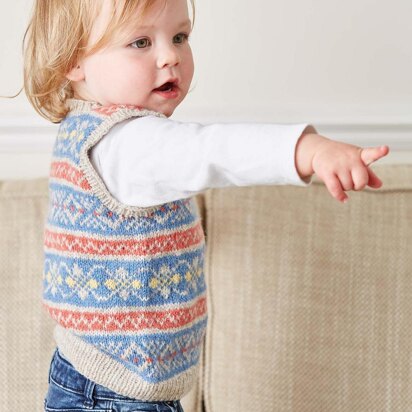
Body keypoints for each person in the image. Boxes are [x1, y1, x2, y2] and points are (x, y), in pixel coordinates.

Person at [22, 0, 389, 411]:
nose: (170, 56)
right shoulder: (128, 144)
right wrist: (307, 150)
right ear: (73, 60)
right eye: (140, 42)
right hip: (114, 395)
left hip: (104, 380)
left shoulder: (89, 131)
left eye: (179, 36)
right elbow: (213, 151)